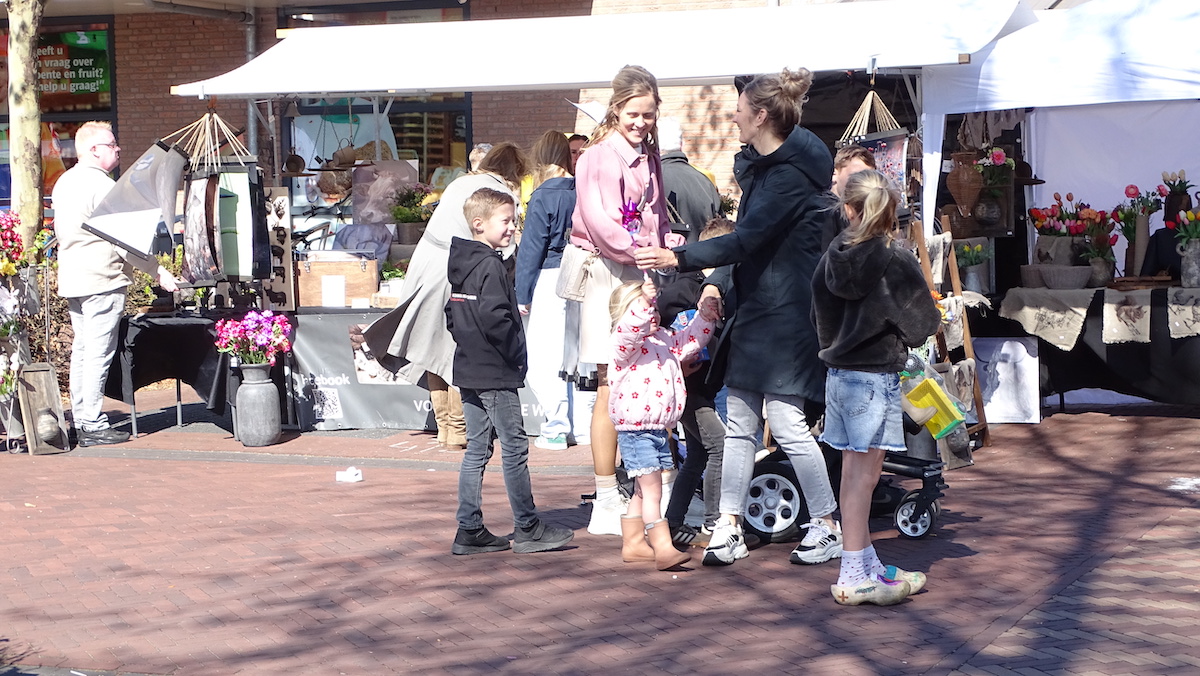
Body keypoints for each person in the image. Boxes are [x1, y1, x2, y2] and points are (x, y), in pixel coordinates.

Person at [634, 67, 842, 567]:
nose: (734, 118)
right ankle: (727, 525)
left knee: (786, 422)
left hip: (785, 316)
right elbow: (749, 243)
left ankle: (827, 524)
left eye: (741, 111)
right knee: (742, 423)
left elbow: (746, 240)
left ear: (762, 116)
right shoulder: (770, 169)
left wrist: (678, 258)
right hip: (757, 310)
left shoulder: (787, 177)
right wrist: (716, 283)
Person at [811, 169, 940, 605]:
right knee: (863, 479)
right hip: (873, 376)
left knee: (853, 475)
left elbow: (818, 318)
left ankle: (866, 563)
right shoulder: (894, 260)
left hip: (839, 375)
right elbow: (923, 324)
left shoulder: (831, 255)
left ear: (848, 209)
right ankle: (853, 572)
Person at [364, 143, 528, 449]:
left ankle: (445, 428)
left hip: (425, 264)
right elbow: (505, 247)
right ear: (514, 171)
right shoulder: (497, 193)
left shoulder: (459, 183)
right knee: (454, 351)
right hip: (459, 270)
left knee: (431, 347)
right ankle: (458, 430)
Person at [571, 65, 674, 536]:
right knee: (610, 381)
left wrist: (667, 255)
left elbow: (658, 216)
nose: (640, 122)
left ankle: (645, 488)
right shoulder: (597, 156)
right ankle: (606, 496)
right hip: (609, 273)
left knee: (644, 375)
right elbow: (602, 224)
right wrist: (645, 254)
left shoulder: (648, 155)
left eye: (648, 115)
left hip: (641, 270)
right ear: (616, 109)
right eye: (633, 113)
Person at [445, 187, 575, 555]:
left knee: (477, 448)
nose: (513, 227)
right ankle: (528, 527)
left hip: (469, 367)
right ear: (479, 224)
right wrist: (516, 354)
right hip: (494, 370)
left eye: (513, 220)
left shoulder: (463, 262)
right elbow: (495, 318)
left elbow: (452, 314)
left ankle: (469, 528)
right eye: (506, 220)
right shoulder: (489, 265)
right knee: (514, 447)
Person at [53, 121, 180, 447]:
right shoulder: (101, 185)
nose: (118, 148)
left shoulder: (64, 182)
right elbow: (124, 240)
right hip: (102, 279)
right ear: (94, 150)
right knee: (97, 353)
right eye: (111, 144)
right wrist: (157, 271)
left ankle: (81, 418)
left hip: (74, 279)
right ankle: (92, 424)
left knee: (82, 351)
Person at [608, 277, 718, 570]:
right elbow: (630, 330)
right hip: (635, 429)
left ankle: (633, 543)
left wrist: (705, 316)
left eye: (654, 309)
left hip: (655, 427)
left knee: (642, 490)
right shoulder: (623, 343)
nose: (652, 314)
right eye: (645, 309)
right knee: (653, 490)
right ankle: (663, 547)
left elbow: (691, 339)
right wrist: (644, 303)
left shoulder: (664, 339)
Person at [515, 130, 594, 451]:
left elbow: (530, 250)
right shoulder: (584, 191)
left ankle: (556, 426)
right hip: (584, 275)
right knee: (578, 356)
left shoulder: (543, 196)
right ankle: (583, 427)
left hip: (550, 278)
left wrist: (522, 294)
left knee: (544, 359)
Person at [660, 217, 734, 548]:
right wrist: (673, 357)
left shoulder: (720, 287)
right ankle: (712, 523)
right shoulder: (685, 289)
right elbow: (658, 321)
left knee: (698, 454)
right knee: (719, 445)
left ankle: (674, 521)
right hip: (689, 387)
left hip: (703, 386)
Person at [657, 117, 721, 244]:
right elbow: (721, 229)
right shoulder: (705, 180)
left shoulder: (653, 180)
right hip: (706, 253)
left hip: (670, 254)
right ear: (682, 144)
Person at [821, 144, 877, 251]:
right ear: (834, 174)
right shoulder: (824, 213)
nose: (861, 184)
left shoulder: (865, 212)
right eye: (855, 176)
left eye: (868, 179)